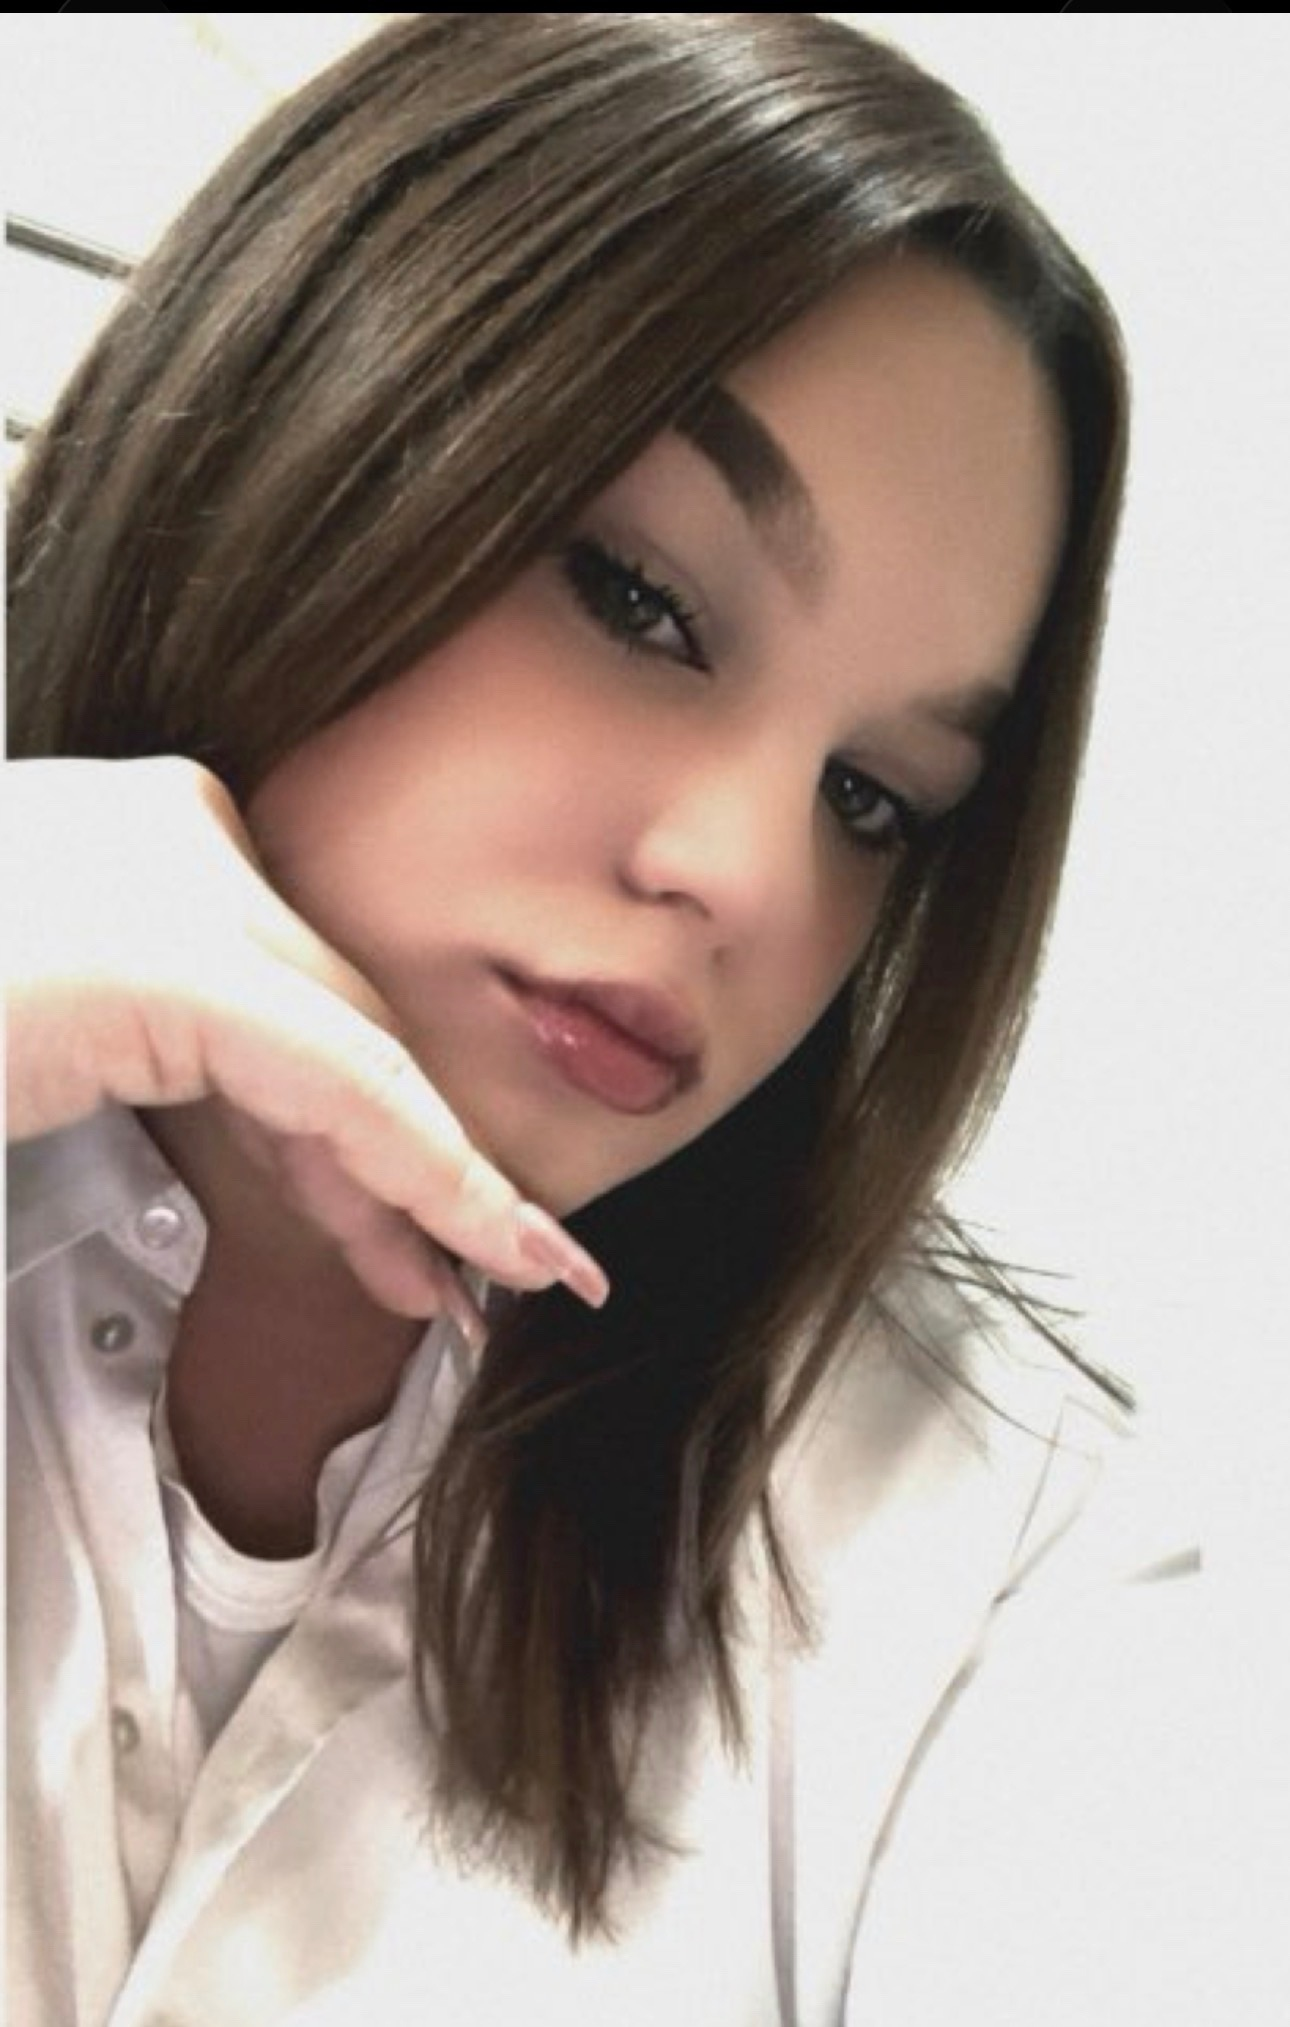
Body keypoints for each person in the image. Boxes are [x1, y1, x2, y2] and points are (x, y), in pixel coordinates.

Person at [6, 14, 1195, 2025]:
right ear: (301, 413)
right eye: (642, 599)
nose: (752, 875)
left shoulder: (997, 1535)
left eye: (877, 798)